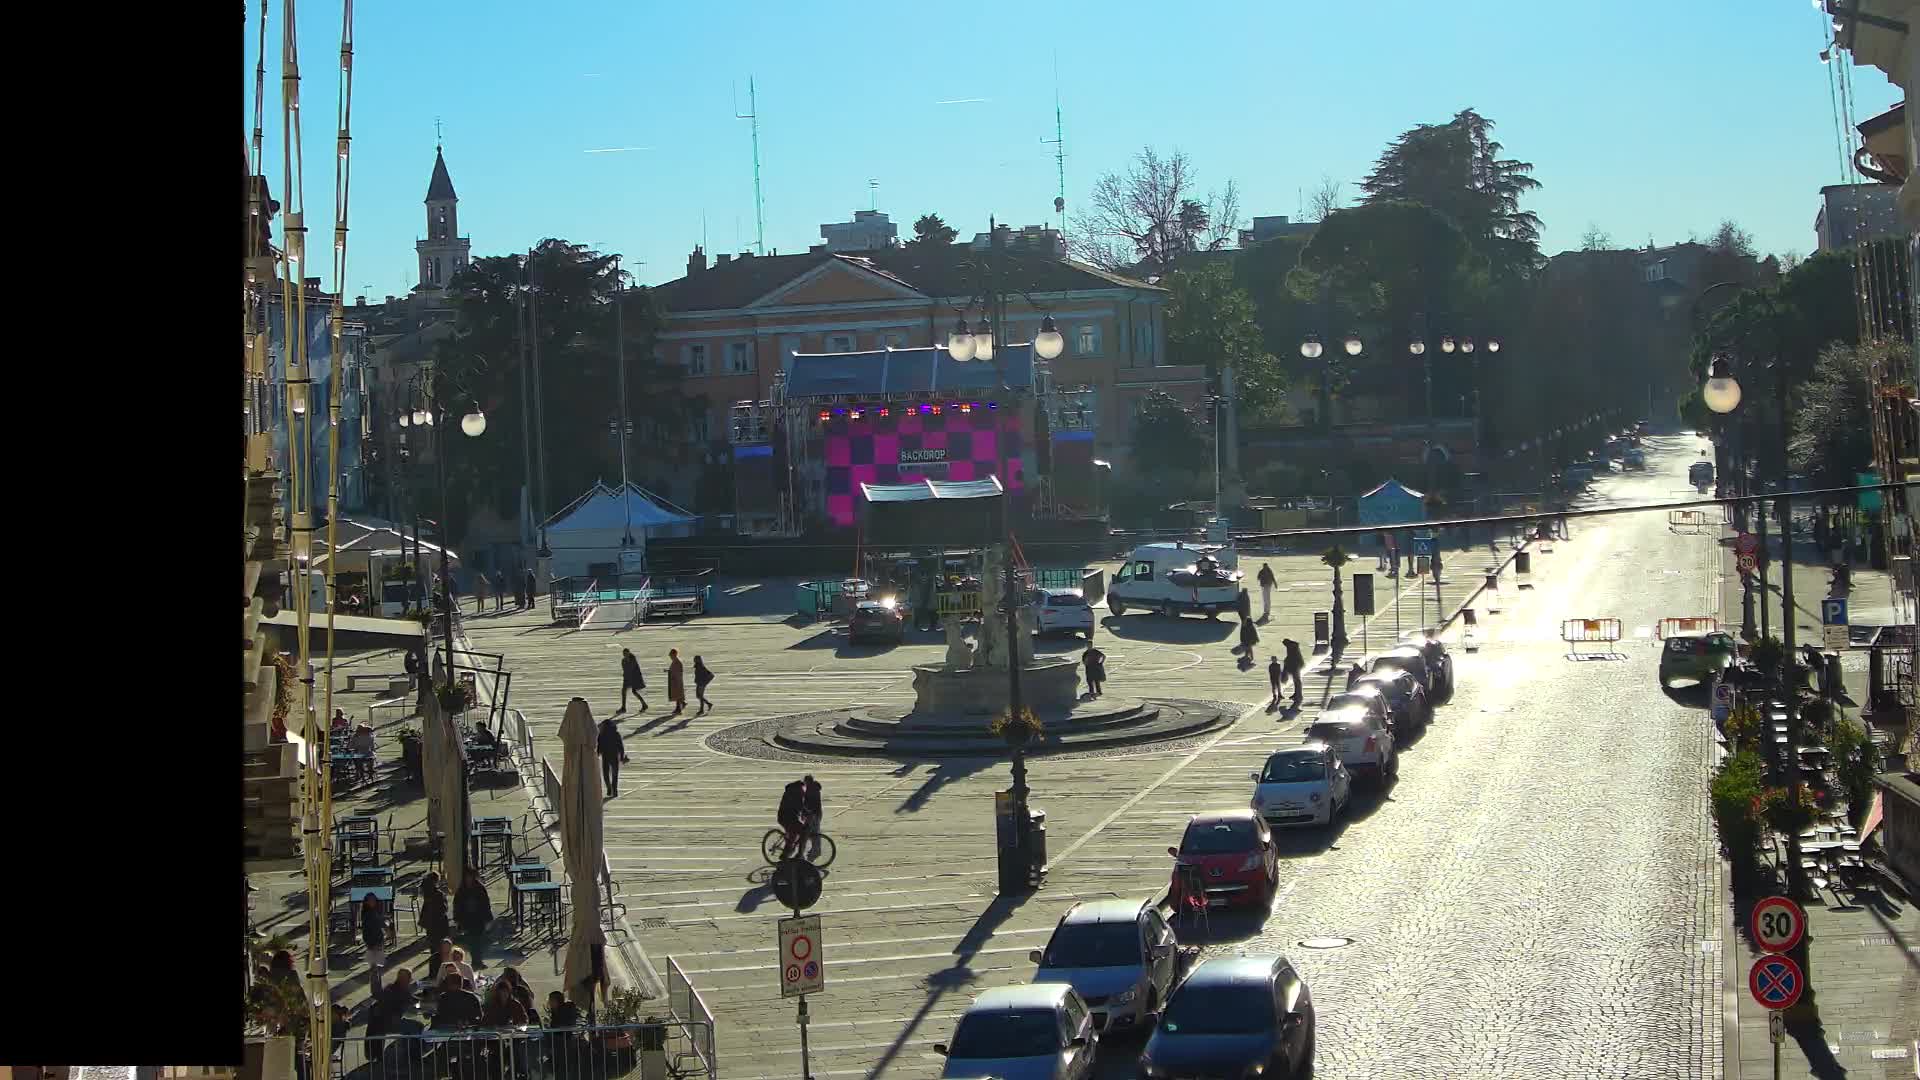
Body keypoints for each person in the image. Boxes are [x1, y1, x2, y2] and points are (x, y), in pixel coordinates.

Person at [364, 966, 416, 1066]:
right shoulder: (402, 991)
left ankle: (408, 1054)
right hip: (390, 1023)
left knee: (410, 1026)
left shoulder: (391, 988)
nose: (410, 980)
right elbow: (411, 1007)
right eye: (409, 978)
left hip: (383, 1023)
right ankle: (413, 1056)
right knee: (417, 1026)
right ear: (406, 979)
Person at [454, 868, 493, 959]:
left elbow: (485, 904)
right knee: (471, 940)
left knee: (478, 940)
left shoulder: (480, 888)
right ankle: (476, 959)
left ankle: (477, 959)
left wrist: (488, 918)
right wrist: (457, 919)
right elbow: (457, 905)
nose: (468, 879)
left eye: (470, 877)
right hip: (467, 918)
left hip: (478, 918)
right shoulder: (462, 889)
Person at [360, 891, 390, 991]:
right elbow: (379, 922)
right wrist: (386, 928)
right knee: (375, 966)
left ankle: (376, 987)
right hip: (373, 940)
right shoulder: (369, 914)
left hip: (376, 939)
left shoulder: (370, 912)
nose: (372, 902)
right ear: (367, 902)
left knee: (376, 965)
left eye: (373, 900)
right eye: (370, 900)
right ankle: (376, 987)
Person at [598, 714, 628, 797]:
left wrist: (597, 754)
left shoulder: (601, 734)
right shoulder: (616, 734)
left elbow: (599, 746)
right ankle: (614, 790)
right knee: (615, 774)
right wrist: (621, 756)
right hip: (614, 756)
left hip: (605, 756)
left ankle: (609, 788)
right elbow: (621, 746)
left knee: (606, 774)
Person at [418, 876, 450, 951]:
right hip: (437, 925)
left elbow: (442, 909)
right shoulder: (436, 895)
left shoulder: (433, 896)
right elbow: (444, 909)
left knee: (435, 947)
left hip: (435, 925)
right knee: (437, 947)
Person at [776, 778, 806, 857]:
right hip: (787, 818)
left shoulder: (791, 791)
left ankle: (791, 852)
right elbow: (800, 806)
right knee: (798, 833)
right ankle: (786, 855)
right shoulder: (797, 792)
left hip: (786, 817)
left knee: (794, 833)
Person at [802, 774, 825, 858]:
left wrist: (805, 812)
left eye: (805, 782)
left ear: (807, 781)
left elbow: (809, 804)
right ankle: (815, 849)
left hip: (813, 815)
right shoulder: (814, 788)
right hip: (816, 814)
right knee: (812, 833)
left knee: (813, 834)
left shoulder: (811, 790)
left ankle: (816, 851)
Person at [619, 648, 648, 713]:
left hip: (635, 678)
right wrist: (625, 677)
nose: (625, 655)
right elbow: (625, 670)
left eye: (626, 653)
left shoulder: (633, 660)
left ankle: (644, 704)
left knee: (634, 691)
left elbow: (632, 669)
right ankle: (623, 707)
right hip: (627, 678)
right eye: (624, 654)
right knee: (624, 691)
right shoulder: (623, 661)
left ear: (629, 653)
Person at [1282, 639, 1306, 708]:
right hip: (1296, 664)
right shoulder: (1293, 647)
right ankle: (1297, 694)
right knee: (1296, 681)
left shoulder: (1291, 647)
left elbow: (1291, 657)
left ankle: (1298, 695)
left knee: (1297, 681)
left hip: (1296, 665)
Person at [667, 649, 687, 716]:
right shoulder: (675, 661)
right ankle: (681, 705)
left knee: (677, 695)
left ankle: (678, 709)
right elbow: (673, 670)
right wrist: (669, 671)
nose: (670, 657)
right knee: (677, 695)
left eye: (671, 655)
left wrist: (674, 677)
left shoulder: (677, 662)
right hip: (675, 680)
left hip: (677, 681)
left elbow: (678, 672)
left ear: (674, 654)